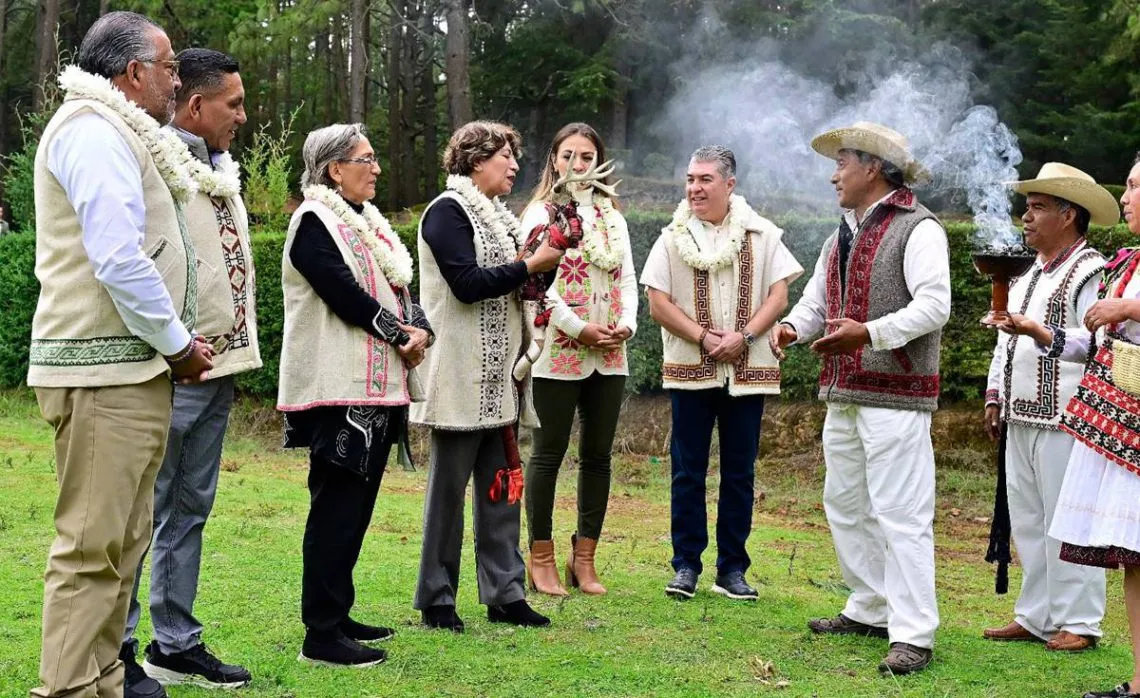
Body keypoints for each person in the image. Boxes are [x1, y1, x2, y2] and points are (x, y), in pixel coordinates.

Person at [26, 11, 214, 698]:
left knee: (122, 546)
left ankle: (102, 680)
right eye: (168, 69)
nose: (176, 81)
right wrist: (177, 344)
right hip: (101, 373)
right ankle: (71, 689)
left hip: (124, 372)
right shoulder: (93, 132)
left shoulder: (116, 132)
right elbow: (117, 258)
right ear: (132, 73)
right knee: (91, 548)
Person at [770, 122, 950, 675]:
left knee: (901, 513)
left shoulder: (920, 228)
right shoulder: (839, 234)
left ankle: (914, 633)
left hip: (897, 394)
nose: (834, 174)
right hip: (844, 388)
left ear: (872, 167)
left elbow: (935, 306)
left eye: (842, 162)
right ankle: (869, 606)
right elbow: (817, 302)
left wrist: (867, 333)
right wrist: (791, 331)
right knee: (845, 504)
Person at [116, 47, 258, 696]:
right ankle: (116, 651)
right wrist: (172, 347)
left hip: (220, 369)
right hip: (171, 371)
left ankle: (174, 644)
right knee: (140, 514)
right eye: (233, 104)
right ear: (195, 106)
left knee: (190, 510)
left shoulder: (218, 166)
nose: (243, 116)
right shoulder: (155, 162)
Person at [279, 123, 431, 667]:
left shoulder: (370, 225)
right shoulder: (312, 220)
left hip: (377, 388)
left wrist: (420, 329)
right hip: (336, 388)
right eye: (365, 159)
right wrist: (399, 334)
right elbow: (341, 291)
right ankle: (319, 634)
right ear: (332, 170)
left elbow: (398, 287)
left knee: (357, 508)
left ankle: (337, 614)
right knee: (335, 507)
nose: (377, 168)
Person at [412, 120, 564, 631]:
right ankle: (437, 599)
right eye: (506, 157)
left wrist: (542, 267)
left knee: (503, 487)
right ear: (476, 160)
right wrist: (528, 266)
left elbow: (514, 279)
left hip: (501, 375)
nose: (516, 167)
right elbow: (466, 285)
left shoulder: (500, 218)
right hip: (457, 372)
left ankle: (506, 593)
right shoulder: (445, 212)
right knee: (448, 494)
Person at [640, 145, 802, 602]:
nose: (695, 187)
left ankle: (732, 569)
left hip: (749, 372)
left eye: (706, 179)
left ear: (730, 185)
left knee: (739, 473)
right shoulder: (672, 236)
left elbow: (779, 295)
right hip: (692, 369)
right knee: (687, 470)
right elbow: (657, 302)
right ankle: (686, 565)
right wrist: (706, 338)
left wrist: (745, 336)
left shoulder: (763, 233)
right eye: (691, 179)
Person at [1008, 154, 1140, 698]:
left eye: (1134, 187)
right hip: (1119, 422)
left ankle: (1079, 623)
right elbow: (1101, 343)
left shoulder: (1102, 270)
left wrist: (1128, 307)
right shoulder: (1126, 261)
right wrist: (1043, 333)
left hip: (1104, 422)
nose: (1127, 196)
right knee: (1135, 558)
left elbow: (1120, 320)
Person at [981, 163, 1112, 653]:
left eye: (1038, 208)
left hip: (1068, 416)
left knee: (1069, 517)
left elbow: (1098, 341)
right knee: (1029, 518)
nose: (1026, 217)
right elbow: (1003, 341)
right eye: (1027, 207)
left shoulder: (1090, 270)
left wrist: (1038, 331)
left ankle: (1080, 620)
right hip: (1022, 414)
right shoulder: (1026, 271)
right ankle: (1035, 615)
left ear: (1069, 215)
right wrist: (995, 394)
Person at [518, 123, 638, 597]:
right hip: (558, 351)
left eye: (587, 156)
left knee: (598, 456)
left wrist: (625, 323)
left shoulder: (613, 218)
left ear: (598, 162)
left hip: (610, 350)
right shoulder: (539, 215)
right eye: (568, 155)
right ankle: (541, 556)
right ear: (553, 160)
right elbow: (537, 286)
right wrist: (578, 328)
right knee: (547, 455)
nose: (577, 165)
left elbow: (627, 278)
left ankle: (584, 557)